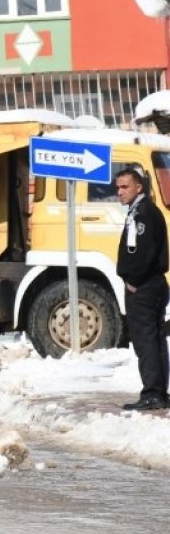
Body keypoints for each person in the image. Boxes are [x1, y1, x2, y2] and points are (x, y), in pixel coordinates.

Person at [115, 168, 170, 410]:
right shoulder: (140, 211)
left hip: (145, 287)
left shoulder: (144, 213)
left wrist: (133, 280)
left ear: (139, 187)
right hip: (151, 284)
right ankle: (158, 392)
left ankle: (152, 393)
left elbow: (144, 251)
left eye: (125, 187)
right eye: (117, 188)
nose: (120, 192)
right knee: (155, 339)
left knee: (146, 340)